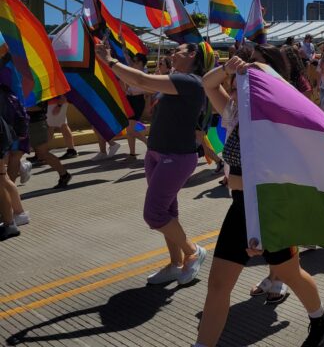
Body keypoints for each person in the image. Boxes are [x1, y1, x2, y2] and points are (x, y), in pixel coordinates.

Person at [196, 45, 324, 347]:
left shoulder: (281, 120)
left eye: (252, 67)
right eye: (240, 71)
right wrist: (227, 68)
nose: (243, 73)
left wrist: (239, 184)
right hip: (241, 210)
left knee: (291, 274)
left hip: (272, 211)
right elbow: (207, 83)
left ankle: (321, 319)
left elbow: (287, 177)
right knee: (218, 285)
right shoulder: (234, 111)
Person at [96, 41, 208, 285]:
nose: (171, 54)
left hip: (176, 156)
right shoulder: (174, 80)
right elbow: (141, 86)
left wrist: (111, 60)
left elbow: (143, 80)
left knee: (154, 214)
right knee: (168, 212)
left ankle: (192, 251)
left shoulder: (189, 81)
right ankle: (175, 264)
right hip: (157, 153)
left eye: (176, 51)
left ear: (191, 54)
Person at [0, 85, 30, 240]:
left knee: (2, 178)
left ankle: (9, 221)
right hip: (7, 136)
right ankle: (17, 214)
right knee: (3, 178)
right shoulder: (7, 91)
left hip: (5, 138)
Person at [26, 102, 71, 188]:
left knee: (42, 153)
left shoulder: (37, 91)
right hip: (29, 122)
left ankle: (64, 174)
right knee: (14, 155)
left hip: (36, 123)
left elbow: (38, 106)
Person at [125, 53, 149, 159]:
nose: (133, 63)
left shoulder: (144, 73)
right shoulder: (133, 71)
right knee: (129, 129)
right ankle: (132, 153)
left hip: (138, 100)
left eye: (136, 61)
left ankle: (151, 145)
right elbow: (127, 58)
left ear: (142, 63)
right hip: (130, 99)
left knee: (131, 129)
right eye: (134, 61)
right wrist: (123, 44)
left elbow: (142, 89)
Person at [46, 96, 78, 160]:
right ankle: (71, 150)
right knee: (62, 125)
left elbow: (62, 90)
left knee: (51, 126)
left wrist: (59, 105)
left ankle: (42, 153)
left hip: (56, 103)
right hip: (55, 102)